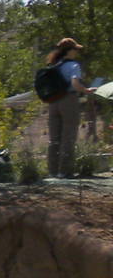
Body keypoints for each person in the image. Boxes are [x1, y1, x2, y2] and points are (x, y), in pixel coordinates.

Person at [44, 37, 96, 177]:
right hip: (68, 100)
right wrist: (86, 90)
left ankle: (52, 171)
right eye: (75, 49)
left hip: (53, 102)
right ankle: (65, 171)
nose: (77, 52)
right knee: (69, 135)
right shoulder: (73, 65)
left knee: (54, 138)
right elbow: (75, 84)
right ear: (69, 51)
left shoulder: (53, 65)